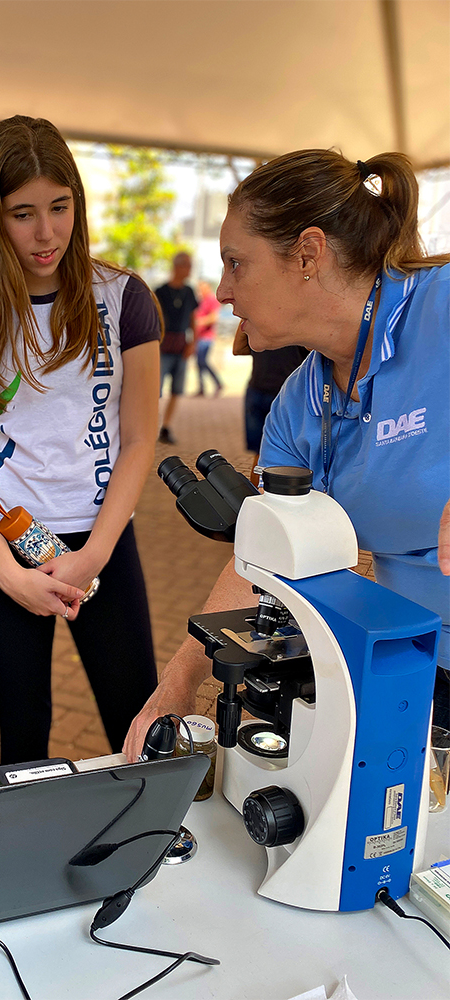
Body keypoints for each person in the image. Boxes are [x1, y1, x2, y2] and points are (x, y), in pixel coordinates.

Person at [123, 148, 450, 760]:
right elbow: (260, 559)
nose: (223, 291)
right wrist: (180, 679)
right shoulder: (298, 403)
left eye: (236, 263)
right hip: (416, 672)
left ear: (307, 254)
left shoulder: (440, 306)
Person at [0, 115, 160, 765]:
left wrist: (95, 555)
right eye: (23, 213)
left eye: (60, 207)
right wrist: (6, 571)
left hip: (103, 541)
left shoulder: (123, 298)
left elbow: (140, 437)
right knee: (23, 729)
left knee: (136, 719)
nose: (46, 233)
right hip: (5, 541)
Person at [233, 324, 308, 485]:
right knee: (293, 453)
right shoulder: (300, 323)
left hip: (258, 389)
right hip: (287, 394)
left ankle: (256, 494)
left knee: (260, 453)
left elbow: (238, 349)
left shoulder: (257, 321)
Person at [156, 251, 198, 443]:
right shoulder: (160, 291)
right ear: (177, 267)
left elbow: (193, 318)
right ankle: (151, 424)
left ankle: (166, 426)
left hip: (181, 345)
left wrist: (193, 342)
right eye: (187, 265)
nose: (190, 270)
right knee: (155, 390)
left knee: (177, 390)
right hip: (163, 346)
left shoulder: (189, 291)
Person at [192, 279, 223, 397]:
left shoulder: (211, 300)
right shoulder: (201, 301)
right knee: (199, 363)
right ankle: (202, 388)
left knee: (202, 361)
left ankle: (217, 383)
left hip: (206, 337)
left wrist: (200, 322)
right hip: (198, 337)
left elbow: (214, 317)